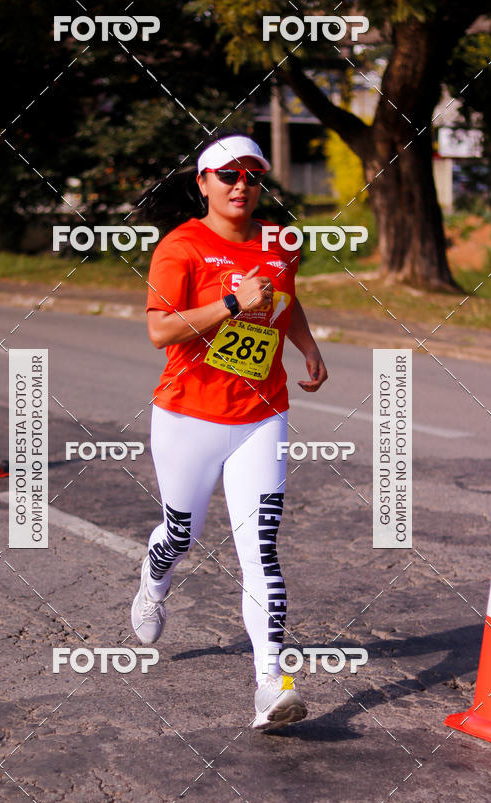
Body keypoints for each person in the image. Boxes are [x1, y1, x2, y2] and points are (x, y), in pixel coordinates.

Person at [130, 134, 328, 730]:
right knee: (181, 533)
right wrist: (232, 305)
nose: (241, 186)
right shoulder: (181, 246)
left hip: (261, 415)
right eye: (227, 176)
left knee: (260, 552)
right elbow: (161, 331)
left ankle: (271, 684)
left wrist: (309, 349)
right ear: (204, 184)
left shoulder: (279, 242)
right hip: (187, 416)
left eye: (251, 176)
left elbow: (286, 302)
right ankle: (154, 578)